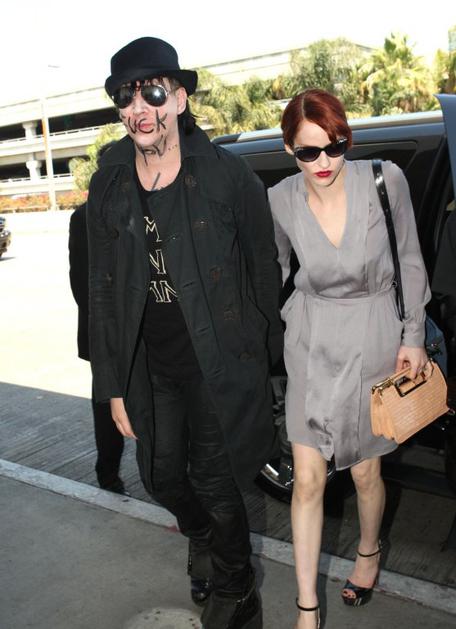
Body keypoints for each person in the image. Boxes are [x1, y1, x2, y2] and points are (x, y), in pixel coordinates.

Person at [86, 36, 282, 629]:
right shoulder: (109, 182)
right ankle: (201, 535)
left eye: (152, 92)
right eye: (126, 97)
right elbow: (101, 290)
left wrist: (265, 361)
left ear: (179, 98)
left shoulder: (225, 175)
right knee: (161, 476)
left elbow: (263, 268)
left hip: (218, 359)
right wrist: (112, 384)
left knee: (218, 483)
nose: (139, 108)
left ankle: (236, 587)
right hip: (151, 364)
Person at [267, 89, 430, 629]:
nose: (323, 162)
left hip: (373, 333)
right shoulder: (280, 199)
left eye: (334, 148)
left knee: (364, 472)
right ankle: (306, 609)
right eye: (307, 152)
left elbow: (410, 259)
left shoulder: (384, 181)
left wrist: (413, 337)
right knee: (308, 480)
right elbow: (272, 270)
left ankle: (368, 551)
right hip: (311, 342)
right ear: (289, 149)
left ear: (347, 141)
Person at [68, 147, 128, 495]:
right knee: (107, 405)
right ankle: (108, 474)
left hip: (142, 330)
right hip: (104, 330)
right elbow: (81, 281)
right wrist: (107, 326)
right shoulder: (83, 217)